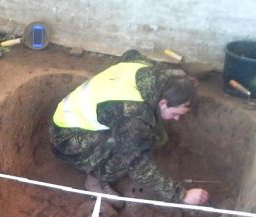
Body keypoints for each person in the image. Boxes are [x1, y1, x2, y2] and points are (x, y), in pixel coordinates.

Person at [51, 50, 209, 208]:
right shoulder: (132, 117)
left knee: (154, 136)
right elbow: (139, 166)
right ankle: (96, 181)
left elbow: (130, 54)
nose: (177, 119)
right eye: (175, 114)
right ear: (163, 103)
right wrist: (182, 195)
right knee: (129, 147)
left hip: (77, 115)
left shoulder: (150, 69)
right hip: (67, 136)